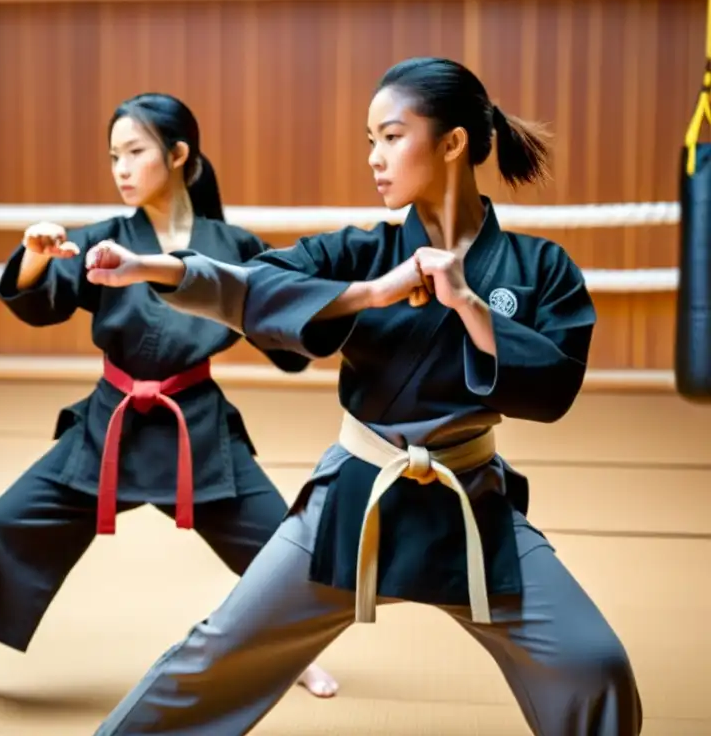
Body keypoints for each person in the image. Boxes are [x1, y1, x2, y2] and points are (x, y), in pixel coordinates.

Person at [83, 59, 642, 735]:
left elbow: (554, 386)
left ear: (453, 142)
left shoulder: (538, 269)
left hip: (471, 504)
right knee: (211, 658)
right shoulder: (361, 253)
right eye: (369, 140)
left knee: (593, 664)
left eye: (390, 136)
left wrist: (468, 305)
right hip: (354, 498)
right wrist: (155, 268)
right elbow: (251, 286)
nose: (374, 158)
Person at [0, 93, 339, 707]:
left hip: (195, 426)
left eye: (135, 152)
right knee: (6, 522)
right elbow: (40, 299)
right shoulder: (103, 239)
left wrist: (298, 315)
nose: (121, 169)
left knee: (279, 542)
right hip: (110, 424)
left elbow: (286, 339)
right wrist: (33, 255)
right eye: (114, 156)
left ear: (179, 154)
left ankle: (296, 656)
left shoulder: (233, 244)